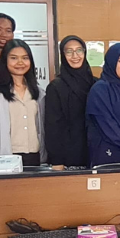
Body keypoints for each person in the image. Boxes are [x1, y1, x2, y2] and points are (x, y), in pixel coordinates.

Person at [0, 39, 46, 164]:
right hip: (7, 157)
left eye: (25, 58)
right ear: (5, 60)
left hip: (35, 155)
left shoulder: (39, 92)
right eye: (14, 58)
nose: (20, 62)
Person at [43, 36, 94, 168]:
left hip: (94, 154)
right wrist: (57, 161)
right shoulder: (56, 87)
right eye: (69, 51)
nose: (75, 56)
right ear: (62, 55)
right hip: (68, 158)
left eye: (79, 50)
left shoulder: (96, 84)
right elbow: (52, 127)